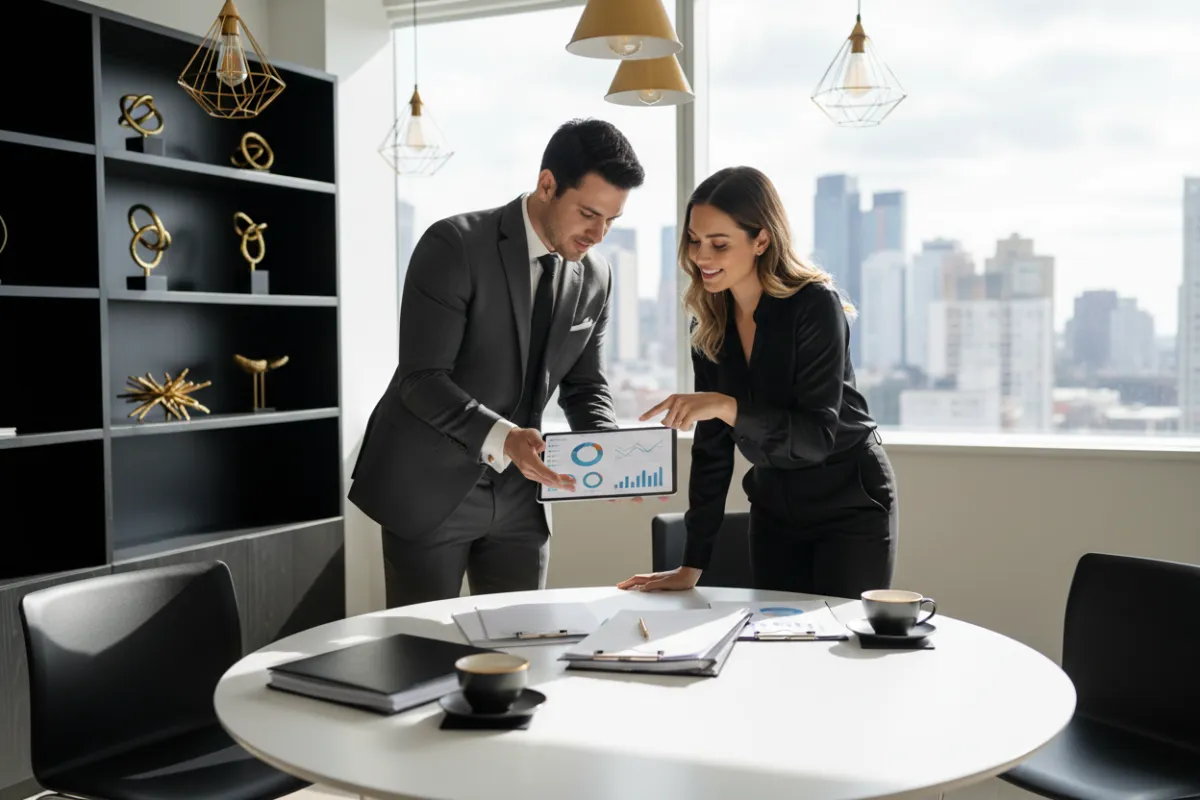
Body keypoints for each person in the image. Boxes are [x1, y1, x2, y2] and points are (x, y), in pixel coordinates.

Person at [350, 118, 645, 608]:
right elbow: (421, 379)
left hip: (523, 498)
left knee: (520, 647)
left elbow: (584, 383)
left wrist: (606, 448)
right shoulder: (455, 244)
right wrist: (505, 437)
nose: (598, 234)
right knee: (424, 651)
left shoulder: (597, 275)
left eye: (612, 220)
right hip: (431, 483)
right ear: (547, 184)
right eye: (589, 214)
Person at [617, 166, 898, 599]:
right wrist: (692, 564)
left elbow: (816, 437)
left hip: (849, 504)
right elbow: (712, 453)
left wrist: (725, 406)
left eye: (719, 244)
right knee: (772, 641)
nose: (701, 257)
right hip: (773, 506)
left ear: (761, 241)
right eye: (694, 240)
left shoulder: (815, 305)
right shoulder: (709, 322)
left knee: (838, 644)